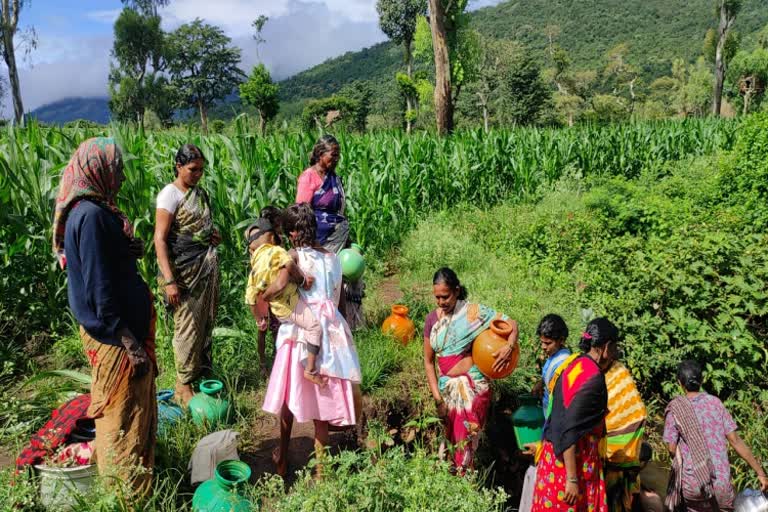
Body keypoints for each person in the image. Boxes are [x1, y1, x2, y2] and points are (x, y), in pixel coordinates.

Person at [53, 138, 156, 498]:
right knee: (120, 418)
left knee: (129, 413)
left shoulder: (94, 210)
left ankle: (134, 485)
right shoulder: (93, 216)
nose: (123, 178)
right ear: (98, 171)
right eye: (118, 170)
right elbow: (99, 288)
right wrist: (129, 341)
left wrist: (129, 251)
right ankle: (126, 494)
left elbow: (103, 263)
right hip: (116, 336)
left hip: (119, 330)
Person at [262, 203, 362, 478]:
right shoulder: (333, 258)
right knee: (322, 406)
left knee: (286, 397)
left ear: (293, 233)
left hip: (299, 331)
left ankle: (282, 457)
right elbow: (338, 302)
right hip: (330, 329)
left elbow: (281, 284)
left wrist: (264, 297)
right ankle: (321, 472)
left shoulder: (292, 256)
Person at [423, 267, 519, 473]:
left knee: (465, 438)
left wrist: (509, 347)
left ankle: (466, 478)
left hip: (473, 387)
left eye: (445, 297)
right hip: (447, 389)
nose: (441, 302)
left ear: (457, 291)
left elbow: (511, 323)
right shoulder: (432, 320)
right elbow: (429, 362)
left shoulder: (473, 313)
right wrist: (438, 399)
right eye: (437, 297)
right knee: (449, 439)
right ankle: (453, 479)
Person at [154, 144, 221, 405]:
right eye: (193, 169)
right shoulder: (169, 195)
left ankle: (201, 376)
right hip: (184, 273)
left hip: (204, 268)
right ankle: (183, 385)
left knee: (204, 324)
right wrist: (170, 281)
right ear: (178, 166)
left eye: (202, 170)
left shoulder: (199, 193)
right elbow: (160, 240)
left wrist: (213, 237)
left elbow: (199, 229)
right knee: (187, 327)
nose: (198, 175)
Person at [531, 317, 615, 512]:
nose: (615, 354)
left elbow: (560, 413)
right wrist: (572, 479)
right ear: (606, 347)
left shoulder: (575, 364)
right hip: (571, 465)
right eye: (615, 348)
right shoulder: (592, 376)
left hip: (553, 457)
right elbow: (569, 428)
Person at [663, 360, 768, 512]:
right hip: (721, 484)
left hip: (693, 485)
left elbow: (672, 448)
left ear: (680, 383)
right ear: (702, 379)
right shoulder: (715, 403)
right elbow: (735, 440)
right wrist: (760, 473)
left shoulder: (675, 409)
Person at [295, 135, 364, 330]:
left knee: (346, 278)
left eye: (338, 155)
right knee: (325, 281)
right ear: (319, 154)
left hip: (339, 237)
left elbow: (339, 211)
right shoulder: (309, 177)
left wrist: (347, 238)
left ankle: (349, 324)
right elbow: (301, 213)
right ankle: (323, 325)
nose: (336, 159)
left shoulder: (334, 178)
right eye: (333, 155)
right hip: (318, 240)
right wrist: (307, 242)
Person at [244, 214, 322, 384]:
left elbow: (250, 298)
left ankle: (266, 365)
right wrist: (302, 280)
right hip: (289, 304)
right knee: (314, 327)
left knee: (277, 336)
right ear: (272, 237)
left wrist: (259, 319)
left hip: (276, 310)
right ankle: (310, 369)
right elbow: (289, 265)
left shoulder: (254, 268)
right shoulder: (276, 251)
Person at [601, 339, 648, 512]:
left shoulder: (618, 373)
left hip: (615, 454)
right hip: (613, 452)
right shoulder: (610, 373)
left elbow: (636, 414)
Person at [532, 314, 572, 415]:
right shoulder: (553, 355)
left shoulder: (563, 363)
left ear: (561, 340)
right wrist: (541, 383)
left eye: (548, 343)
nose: (543, 347)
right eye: (542, 342)